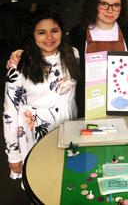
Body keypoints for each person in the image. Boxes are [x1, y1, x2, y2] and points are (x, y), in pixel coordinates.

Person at [3, 9, 80, 179]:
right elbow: (10, 111)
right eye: (41, 32)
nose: (49, 38)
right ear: (33, 35)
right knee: (41, 178)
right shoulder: (19, 64)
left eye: (54, 31)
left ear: (62, 31)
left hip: (68, 124)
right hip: (36, 130)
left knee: (66, 177)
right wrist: (13, 154)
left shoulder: (73, 54)